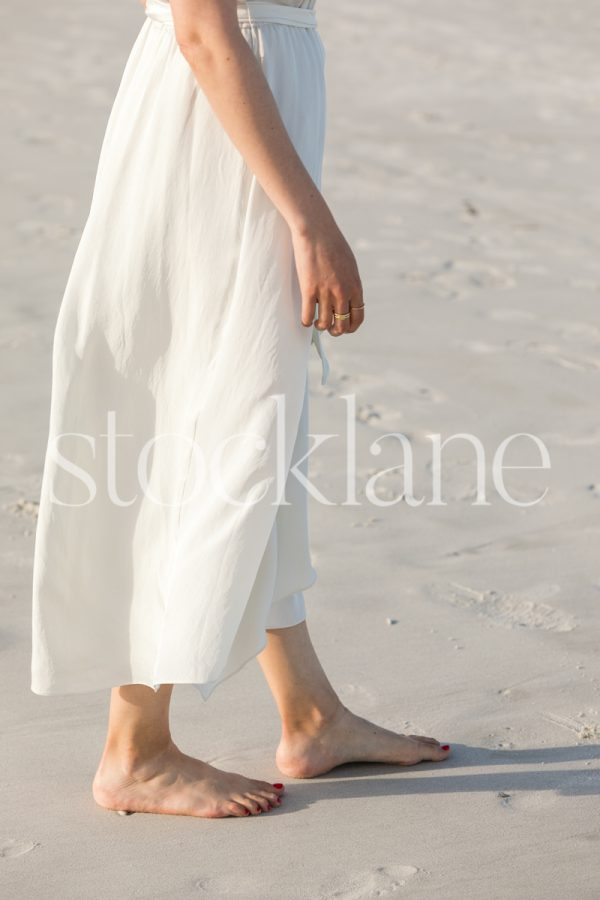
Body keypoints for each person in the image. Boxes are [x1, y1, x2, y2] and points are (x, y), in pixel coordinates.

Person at [31, 0, 450, 819]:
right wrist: (309, 219)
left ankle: (310, 714)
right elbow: (203, 28)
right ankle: (136, 749)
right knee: (214, 419)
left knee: (262, 424)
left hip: (250, 124)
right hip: (211, 141)